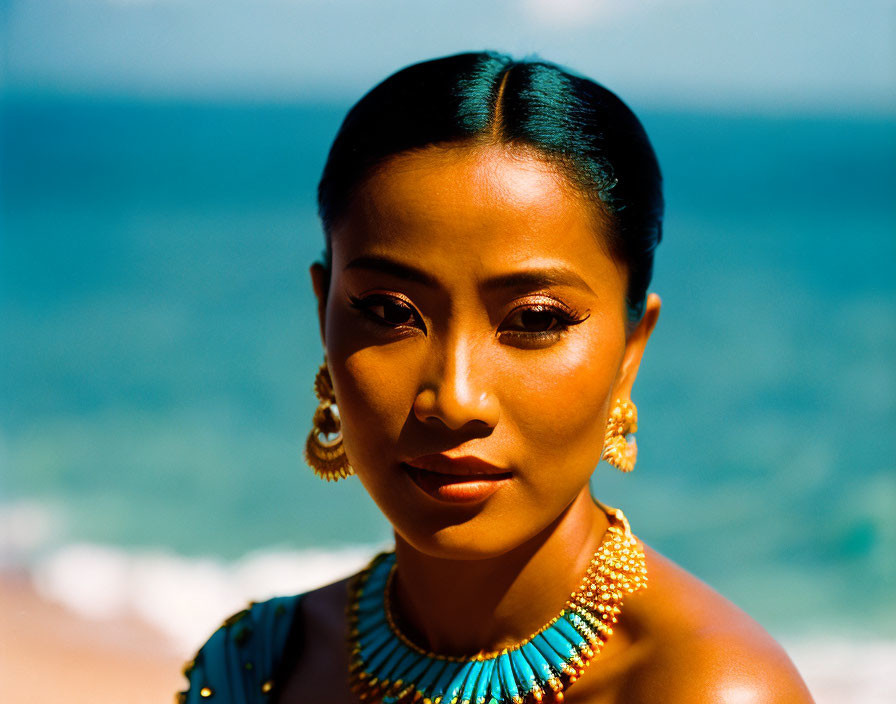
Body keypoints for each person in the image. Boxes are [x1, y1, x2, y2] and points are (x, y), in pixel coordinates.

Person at [178, 51, 814, 703]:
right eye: (390, 312)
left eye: (534, 319)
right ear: (324, 314)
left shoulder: (706, 690)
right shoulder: (258, 667)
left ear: (631, 347)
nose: (453, 400)